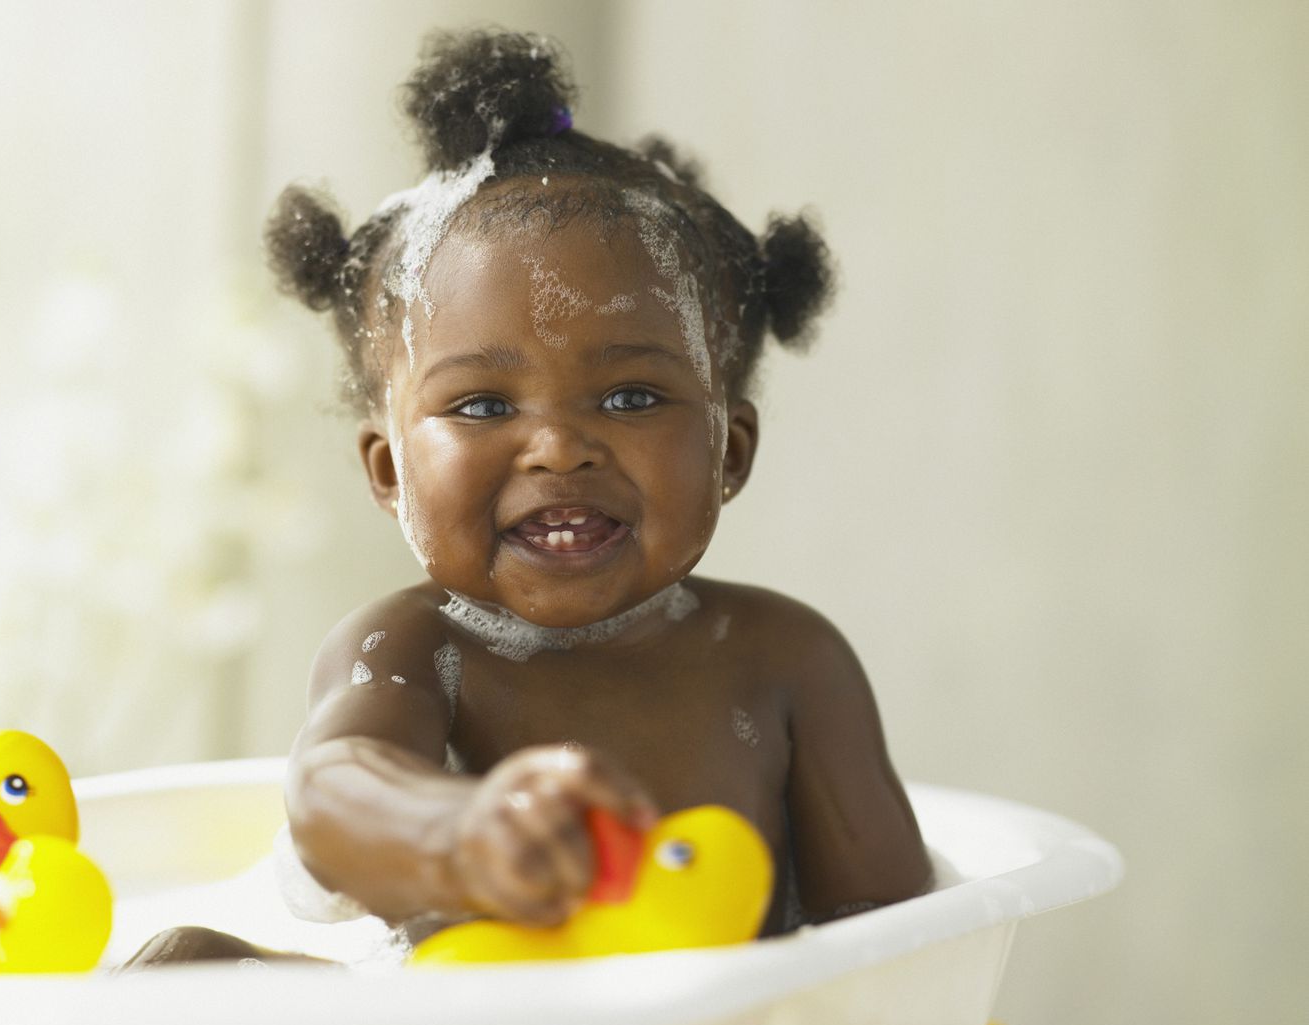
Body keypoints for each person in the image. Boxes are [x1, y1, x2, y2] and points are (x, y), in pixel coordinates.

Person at [128, 28, 930, 969]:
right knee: (180, 970)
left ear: (729, 451)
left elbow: (895, 939)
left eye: (632, 397)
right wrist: (461, 833)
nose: (558, 447)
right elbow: (334, 798)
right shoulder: (416, 649)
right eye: (481, 405)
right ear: (389, 473)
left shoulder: (787, 662)